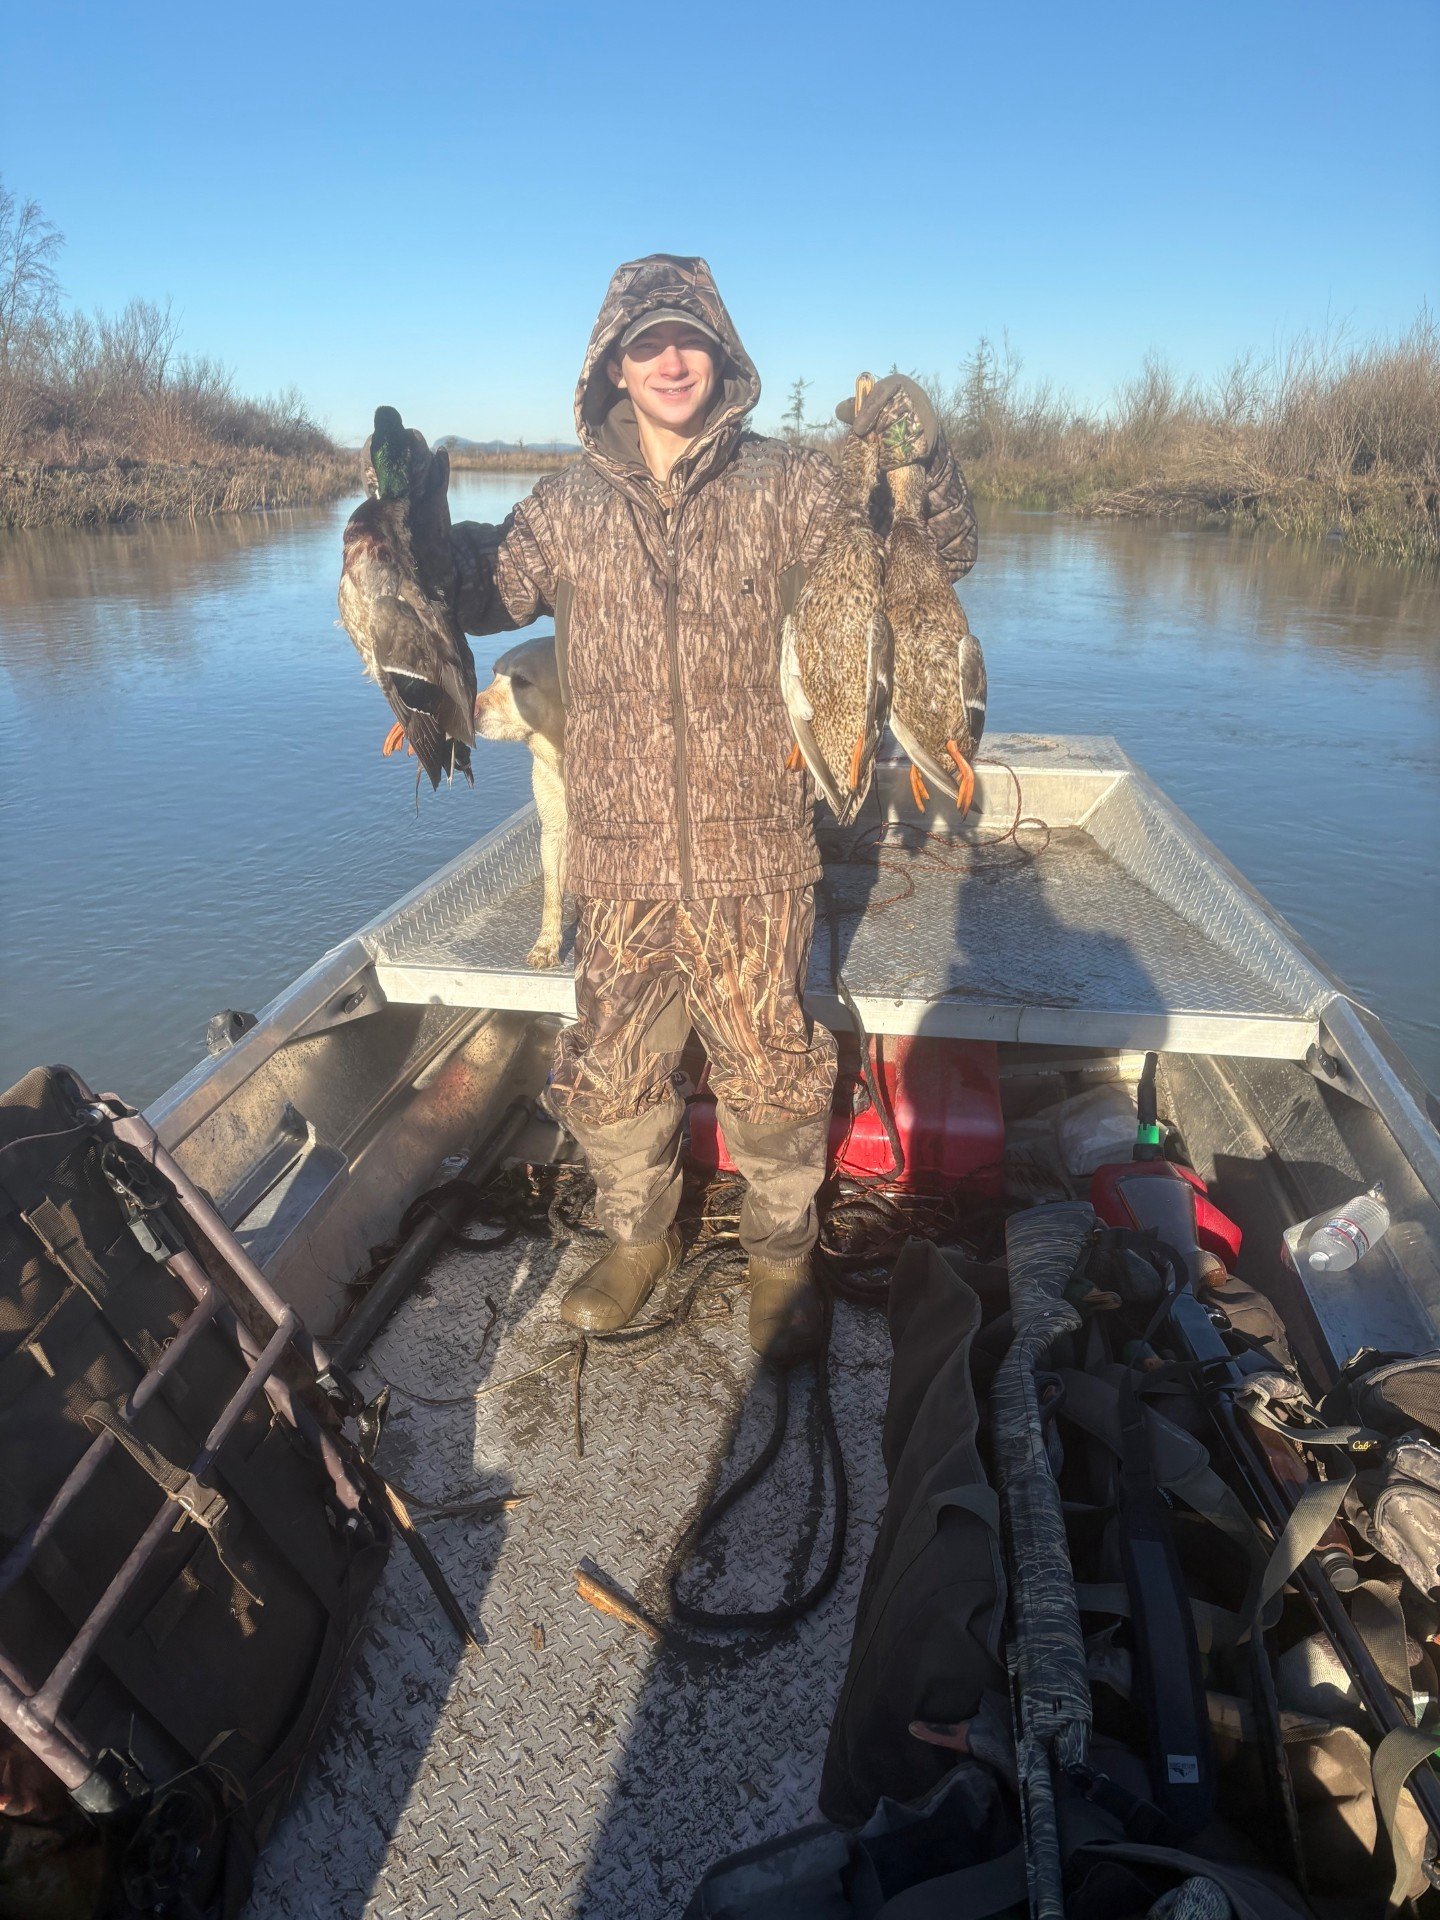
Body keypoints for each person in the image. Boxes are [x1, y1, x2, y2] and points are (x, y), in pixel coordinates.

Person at [368, 254, 977, 1363]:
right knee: (609, 1069)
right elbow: (465, 592)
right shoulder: (566, 508)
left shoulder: (791, 485)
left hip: (755, 850)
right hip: (616, 854)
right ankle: (638, 1236)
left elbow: (930, 557)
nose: (670, 360)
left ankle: (782, 1257)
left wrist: (917, 463)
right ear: (613, 365)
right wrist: (410, 514)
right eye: (645, 343)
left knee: (774, 1070)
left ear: (722, 353)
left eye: (686, 338)